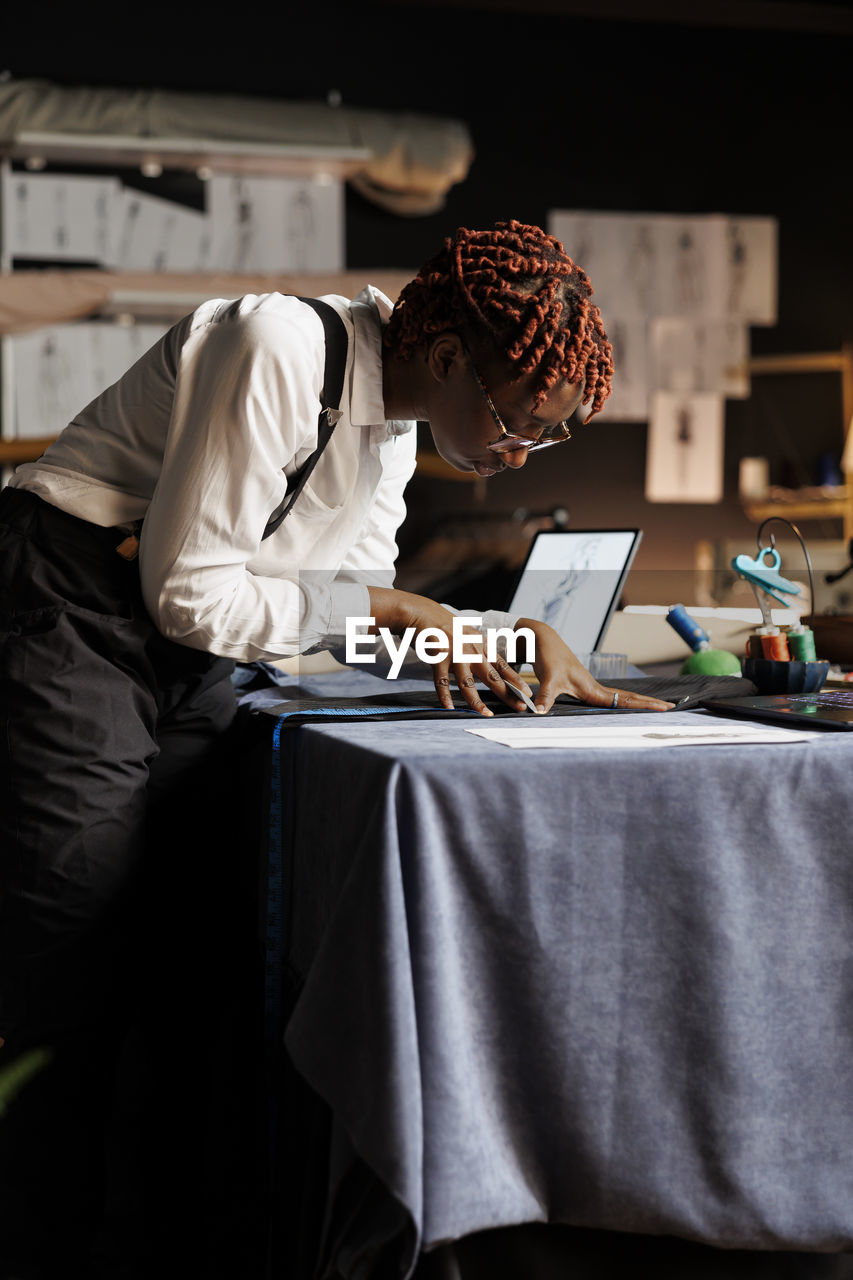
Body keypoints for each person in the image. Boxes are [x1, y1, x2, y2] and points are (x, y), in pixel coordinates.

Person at [0, 219, 671, 1277]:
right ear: (448, 356)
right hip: (72, 603)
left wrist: (491, 638)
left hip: (177, 652)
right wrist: (401, 606)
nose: (515, 455)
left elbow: (334, 622)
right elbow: (189, 593)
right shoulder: (278, 344)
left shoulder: (393, 429)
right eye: (518, 424)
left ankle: (146, 1240)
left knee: (200, 947)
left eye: (541, 443)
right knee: (70, 944)